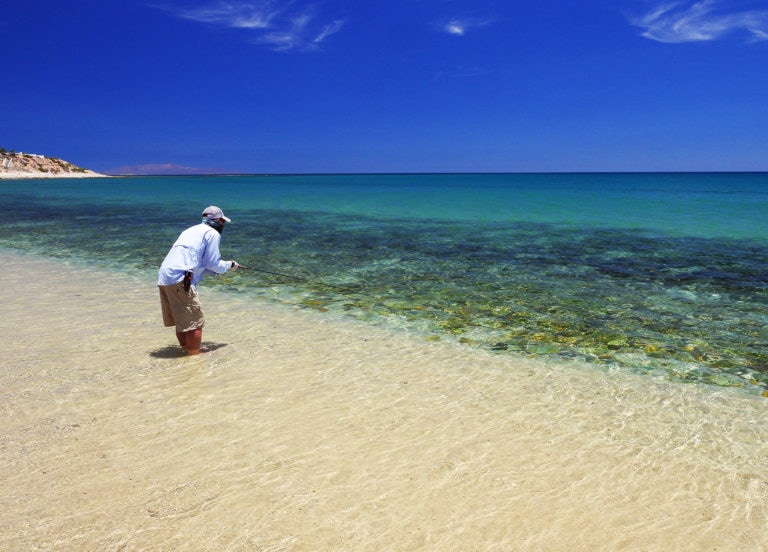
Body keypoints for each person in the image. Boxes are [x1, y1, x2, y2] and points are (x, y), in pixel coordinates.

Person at [158, 206, 240, 355]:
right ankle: (194, 359)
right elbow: (213, 263)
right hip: (181, 277)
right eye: (222, 221)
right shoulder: (212, 233)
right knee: (195, 322)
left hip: (164, 276)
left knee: (181, 319)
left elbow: (197, 261)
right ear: (217, 221)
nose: (223, 225)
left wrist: (221, 269)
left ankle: (186, 350)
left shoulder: (189, 231)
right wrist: (229, 265)